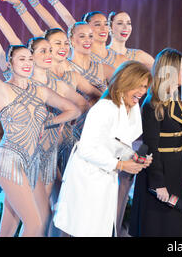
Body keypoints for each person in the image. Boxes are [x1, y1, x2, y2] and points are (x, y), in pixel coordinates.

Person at [0, 40, 80, 237]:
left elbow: (74, 110)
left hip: (32, 162)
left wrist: (48, 122)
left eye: (30, 58)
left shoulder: (40, 90)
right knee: (36, 224)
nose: (28, 62)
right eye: (22, 59)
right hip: (9, 159)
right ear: (9, 63)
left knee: (11, 226)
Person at [53, 61, 153, 237]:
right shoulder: (104, 108)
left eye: (144, 86)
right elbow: (86, 149)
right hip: (87, 178)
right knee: (83, 229)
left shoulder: (131, 107)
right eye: (137, 86)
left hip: (106, 178)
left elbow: (119, 142)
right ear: (125, 82)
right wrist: (121, 165)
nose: (142, 91)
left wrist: (133, 157)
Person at [129, 48, 182, 236]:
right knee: (156, 227)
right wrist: (158, 184)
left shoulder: (176, 100)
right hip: (157, 173)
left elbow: (178, 144)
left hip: (175, 173)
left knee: (174, 228)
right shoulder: (152, 104)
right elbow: (150, 147)